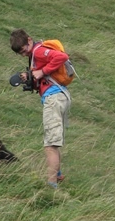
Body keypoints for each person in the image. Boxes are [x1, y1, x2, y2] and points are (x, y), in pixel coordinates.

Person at [10, 29, 71, 189]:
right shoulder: (35, 54)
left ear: (29, 40)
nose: (24, 54)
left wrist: (41, 72)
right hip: (57, 96)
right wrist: (30, 75)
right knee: (53, 141)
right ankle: (58, 175)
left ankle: (51, 186)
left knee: (50, 145)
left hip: (54, 97)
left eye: (24, 50)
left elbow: (62, 57)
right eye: (21, 54)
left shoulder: (39, 52)